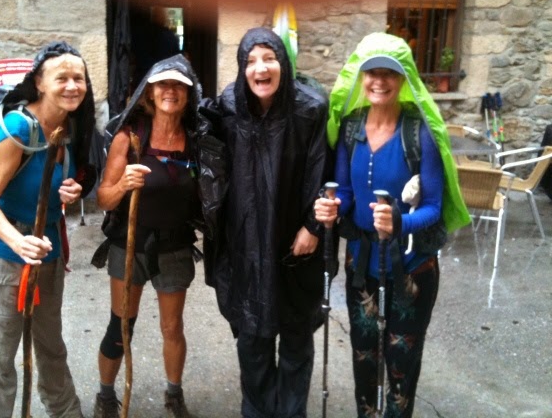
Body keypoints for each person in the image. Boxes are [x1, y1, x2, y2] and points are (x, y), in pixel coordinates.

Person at [314, 32, 469, 417]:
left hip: (411, 268)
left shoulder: (420, 132)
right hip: (361, 265)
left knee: (401, 364)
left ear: (404, 79)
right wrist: (332, 206)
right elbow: (345, 190)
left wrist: (400, 223)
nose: (379, 81)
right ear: (361, 78)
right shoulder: (351, 128)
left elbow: (433, 207)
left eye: (390, 73)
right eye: (372, 72)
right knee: (364, 358)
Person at [197, 27, 330, 418]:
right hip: (246, 242)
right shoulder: (228, 107)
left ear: (283, 63)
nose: (261, 68)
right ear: (242, 67)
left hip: (295, 240)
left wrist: (313, 227)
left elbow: (323, 171)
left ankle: (291, 412)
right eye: (252, 61)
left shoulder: (309, 109)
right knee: (252, 337)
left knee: (295, 336)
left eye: (269, 58)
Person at [0, 41, 97, 417]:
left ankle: (66, 412)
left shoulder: (68, 127)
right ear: (39, 83)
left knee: (51, 348)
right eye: (62, 78)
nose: (73, 85)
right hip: (2, 257)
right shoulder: (18, 127)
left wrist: (70, 192)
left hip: (48, 253)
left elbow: (48, 186)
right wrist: (17, 241)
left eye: (79, 78)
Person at [93, 54, 201, 418]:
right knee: (121, 326)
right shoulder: (130, 137)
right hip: (130, 244)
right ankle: (106, 395)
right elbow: (103, 198)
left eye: (179, 85)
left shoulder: (195, 141)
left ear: (188, 94)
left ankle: (174, 394)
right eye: (163, 84)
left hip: (175, 246)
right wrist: (123, 184)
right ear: (150, 93)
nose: (170, 90)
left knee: (173, 326)